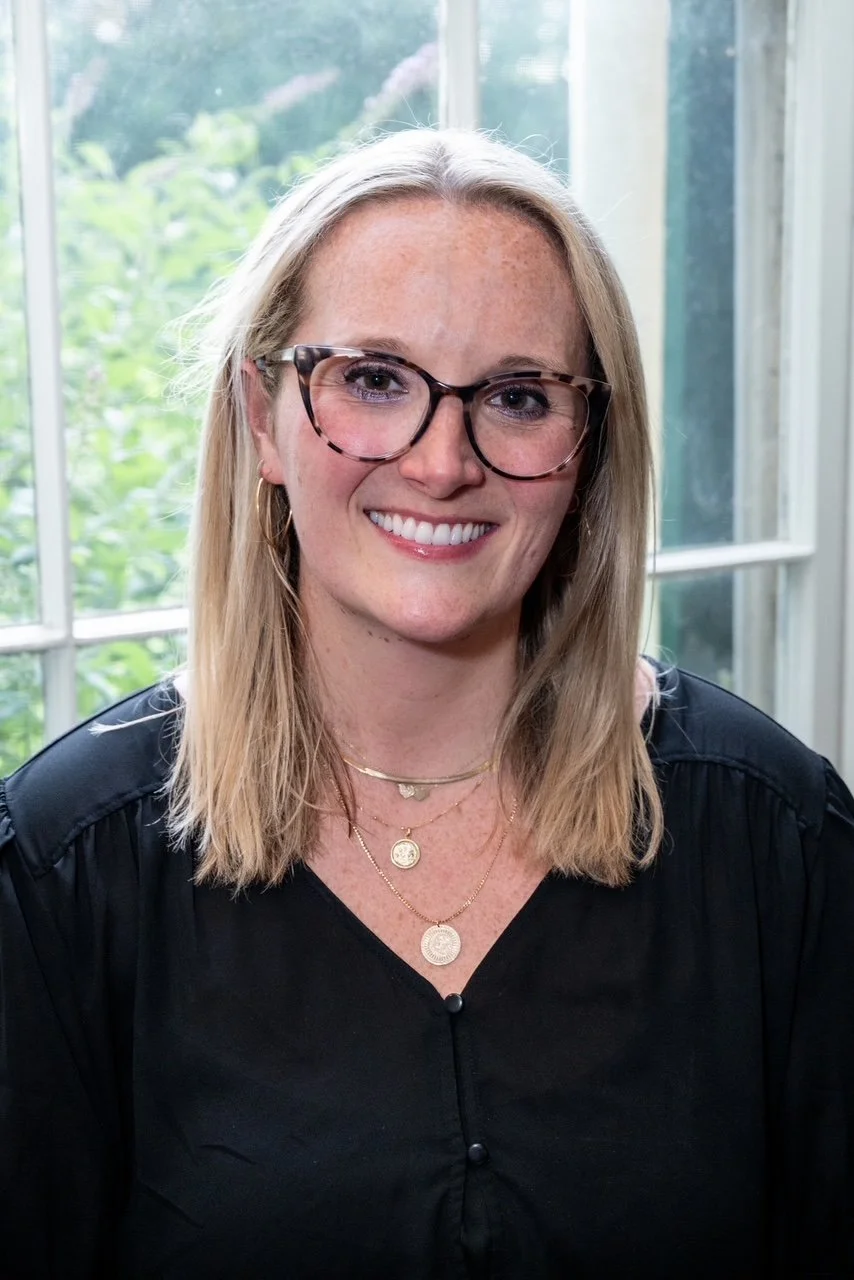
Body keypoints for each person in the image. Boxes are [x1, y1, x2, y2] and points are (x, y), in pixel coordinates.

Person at [1, 128, 852, 1279]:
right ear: (262, 418)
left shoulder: (776, 836)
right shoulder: (65, 867)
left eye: (514, 395)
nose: (441, 460)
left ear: (587, 442)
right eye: (371, 380)